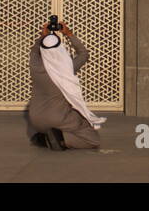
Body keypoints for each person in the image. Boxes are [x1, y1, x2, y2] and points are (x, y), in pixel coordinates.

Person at [24, 20, 106, 150]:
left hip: (36, 120)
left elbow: (34, 52)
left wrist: (43, 36)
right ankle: (59, 139)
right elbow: (84, 54)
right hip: (58, 119)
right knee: (92, 138)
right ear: (60, 49)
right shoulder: (67, 69)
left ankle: (45, 136)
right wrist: (68, 33)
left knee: (68, 120)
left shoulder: (35, 66)